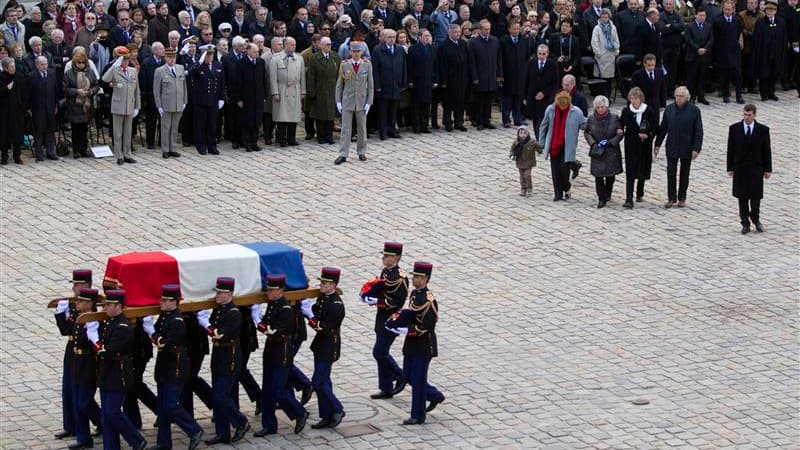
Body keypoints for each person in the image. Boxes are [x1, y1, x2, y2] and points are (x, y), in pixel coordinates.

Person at [142, 284, 205, 450]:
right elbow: (158, 335)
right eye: (161, 299)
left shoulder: (177, 321)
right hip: (164, 366)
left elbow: (165, 343)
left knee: (170, 404)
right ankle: (164, 443)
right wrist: (153, 332)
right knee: (163, 407)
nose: (161, 302)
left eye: (165, 300)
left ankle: (194, 430)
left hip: (175, 367)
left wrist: (151, 333)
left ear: (174, 302)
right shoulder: (165, 316)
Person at [385, 261, 445, 425]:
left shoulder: (429, 299)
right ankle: (434, 395)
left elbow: (428, 324)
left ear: (426, 279)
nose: (415, 279)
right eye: (414, 276)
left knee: (418, 379)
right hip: (411, 344)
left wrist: (408, 329)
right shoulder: (414, 294)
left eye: (418, 277)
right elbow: (411, 313)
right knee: (407, 376)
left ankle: (418, 415)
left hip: (423, 345)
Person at [254, 274, 309, 437]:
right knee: (267, 390)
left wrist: (258, 320)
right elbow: (266, 322)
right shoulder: (273, 305)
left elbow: (274, 330)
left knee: (278, 390)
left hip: (282, 353)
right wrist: (261, 321)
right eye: (268, 290)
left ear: (279, 291)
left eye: (271, 290)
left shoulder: (285, 309)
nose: (268, 293)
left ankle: (299, 413)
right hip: (271, 351)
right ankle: (269, 425)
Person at [198, 277, 250, 445]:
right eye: (218, 292)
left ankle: (241, 422)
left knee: (221, 396)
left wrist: (206, 324)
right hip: (219, 356)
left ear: (230, 294)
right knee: (217, 396)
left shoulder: (234, 313)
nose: (218, 295)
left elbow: (220, 334)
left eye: (221, 293)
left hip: (230, 358)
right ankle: (222, 433)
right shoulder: (219, 310)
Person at [96, 290, 148, 450]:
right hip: (107, 373)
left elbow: (110, 351)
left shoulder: (123, 326)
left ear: (118, 306)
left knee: (113, 412)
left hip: (118, 374)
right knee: (106, 415)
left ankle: (137, 440)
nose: (105, 308)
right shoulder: (110, 322)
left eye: (109, 305)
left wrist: (97, 345)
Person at [53, 271, 97, 441]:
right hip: (71, 351)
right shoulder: (73, 304)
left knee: (81, 396)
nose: (73, 288)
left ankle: (98, 422)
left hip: (84, 355)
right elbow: (66, 330)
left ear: (86, 285)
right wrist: (59, 314)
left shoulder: (90, 306)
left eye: (77, 285)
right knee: (68, 390)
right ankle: (70, 425)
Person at [301, 268, 346, 429]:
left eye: (325, 283)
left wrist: (310, 316)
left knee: (318, 382)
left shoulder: (336, 305)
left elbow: (323, 327)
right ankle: (327, 415)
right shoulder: (324, 299)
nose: (321, 285)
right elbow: (316, 311)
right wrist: (309, 311)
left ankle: (338, 409)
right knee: (324, 381)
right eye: (321, 282)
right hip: (320, 346)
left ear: (333, 285)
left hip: (328, 346)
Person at [364, 242, 409, 399]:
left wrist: (378, 301)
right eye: (384, 255)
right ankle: (386, 387)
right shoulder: (385, 272)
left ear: (396, 257)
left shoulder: (401, 277)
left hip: (392, 319)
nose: (384, 258)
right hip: (381, 317)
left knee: (379, 351)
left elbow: (398, 300)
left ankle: (400, 375)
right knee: (381, 352)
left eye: (388, 256)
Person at [654, 86, 704, 208]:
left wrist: (696, 148)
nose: (679, 98)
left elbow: (698, 131)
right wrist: (657, 144)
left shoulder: (694, 110)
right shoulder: (669, 109)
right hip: (672, 145)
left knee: (684, 173)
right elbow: (663, 128)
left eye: (681, 96)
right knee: (670, 171)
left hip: (687, 147)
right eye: (677, 96)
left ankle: (682, 197)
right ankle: (671, 197)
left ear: (687, 98)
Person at [726, 104, 772, 234]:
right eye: (745, 114)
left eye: (749, 115)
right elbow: (731, 149)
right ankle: (744, 222)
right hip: (740, 168)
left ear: (754, 115)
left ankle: (756, 219)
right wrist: (730, 167)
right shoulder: (734, 129)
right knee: (742, 196)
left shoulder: (763, 130)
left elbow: (766, 150)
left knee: (756, 196)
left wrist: (768, 169)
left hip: (756, 168)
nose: (746, 117)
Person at [68, 288, 103, 450]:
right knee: (78, 402)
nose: (77, 303)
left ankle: (103, 423)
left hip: (88, 366)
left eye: (81, 301)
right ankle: (84, 438)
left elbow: (95, 346)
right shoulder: (80, 317)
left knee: (84, 402)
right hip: (77, 364)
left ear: (89, 304)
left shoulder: (93, 321)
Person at [538, 90, 587, 201]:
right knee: (555, 170)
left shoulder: (576, 112)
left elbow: (584, 124)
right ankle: (558, 193)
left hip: (567, 145)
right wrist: (541, 142)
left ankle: (566, 186)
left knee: (564, 169)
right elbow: (543, 126)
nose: (562, 107)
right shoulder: (550, 110)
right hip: (554, 144)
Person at [334, 39, 373, 165]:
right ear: (350, 51)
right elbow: (339, 84)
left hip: (361, 101)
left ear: (361, 52)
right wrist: (338, 101)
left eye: (358, 51)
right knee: (346, 128)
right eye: (354, 51)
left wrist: (369, 102)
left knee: (362, 128)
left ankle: (361, 151)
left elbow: (370, 85)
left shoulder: (367, 64)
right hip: (348, 100)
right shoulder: (345, 64)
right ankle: (343, 153)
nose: (356, 54)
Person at [620, 86, 659, 208]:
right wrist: (619, 130)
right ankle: (629, 198)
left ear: (641, 99)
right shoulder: (627, 111)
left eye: (636, 98)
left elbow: (655, 127)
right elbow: (621, 124)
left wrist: (648, 134)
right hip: (631, 144)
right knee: (630, 170)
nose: (634, 101)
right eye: (632, 98)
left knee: (642, 168)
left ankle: (640, 192)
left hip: (644, 145)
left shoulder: (648, 111)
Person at [102, 46, 140, 165]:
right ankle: (119, 155)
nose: (125, 62)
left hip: (130, 104)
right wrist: (114, 66)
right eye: (123, 60)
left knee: (128, 132)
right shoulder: (115, 70)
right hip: (118, 105)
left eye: (127, 60)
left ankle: (127, 153)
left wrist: (137, 106)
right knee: (118, 133)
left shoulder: (133, 71)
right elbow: (104, 79)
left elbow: (136, 89)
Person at [584, 95, 623, 208]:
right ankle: (601, 198)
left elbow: (620, 134)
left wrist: (611, 142)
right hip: (597, 151)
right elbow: (587, 132)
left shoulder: (614, 118)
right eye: (598, 107)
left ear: (606, 107)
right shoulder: (591, 119)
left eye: (602, 107)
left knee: (610, 175)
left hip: (611, 151)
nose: (600, 109)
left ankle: (608, 193)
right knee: (598, 176)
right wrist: (593, 143)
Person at [189, 44, 225, 155]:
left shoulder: (217, 65)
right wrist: (199, 62)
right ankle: (201, 145)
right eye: (207, 54)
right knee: (201, 124)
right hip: (201, 100)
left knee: (212, 124)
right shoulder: (199, 66)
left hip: (214, 100)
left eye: (211, 54)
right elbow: (191, 74)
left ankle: (211, 145)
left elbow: (222, 83)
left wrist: (221, 98)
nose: (209, 57)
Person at [270, 36, 306, 147]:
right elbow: (273, 77)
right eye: (291, 44)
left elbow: (302, 76)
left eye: (295, 45)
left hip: (295, 89)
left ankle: (291, 138)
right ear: (285, 45)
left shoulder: (299, 58)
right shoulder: (276, 58)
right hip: (282, 89)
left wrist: (303, 91)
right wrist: (275, 92)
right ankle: (281, 139)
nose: (293, 47)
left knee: (293, 116)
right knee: (282, 116)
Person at [63, 51, 100, 159]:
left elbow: (96, 85)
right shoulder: (69, 73)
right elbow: (65, 89)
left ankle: (84, 149)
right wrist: (76, 91)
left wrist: (91, 91)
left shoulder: (90, 72)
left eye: (83, 62)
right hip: (74, 104)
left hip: (87, 105)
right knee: (75, 128)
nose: (81, 64)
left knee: (84, 128)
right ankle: (76, 150)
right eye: (78, 62)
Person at [153, 46, 187, 159]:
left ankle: (173, 148)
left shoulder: (180, 68)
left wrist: (184, 101)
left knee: (175, 127)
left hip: (178, 103)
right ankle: (165, 149)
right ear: (165, 58)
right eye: (169, 57)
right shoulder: (160, 71)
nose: (172, 59)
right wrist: (159, 106)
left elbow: (184, 86)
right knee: (166, 127)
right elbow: (156, 90)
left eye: (174, 57)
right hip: (166, 104)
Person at [372, 28, 407, 139]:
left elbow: (403, 67)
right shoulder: (378, 50)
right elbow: (375, 70)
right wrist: (377, 85)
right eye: (389, 37)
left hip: (396, 84)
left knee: (393, 109)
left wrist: (403, 82)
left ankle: (392, 130)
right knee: (383, 110)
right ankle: (383, 131)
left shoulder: (399, 49)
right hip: (383, 85)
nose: (392, 40)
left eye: (393, 37)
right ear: (384, 38)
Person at [468, 19, 502, 129]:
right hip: (480, 76)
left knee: (489, 99)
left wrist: (499, 74)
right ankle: (478, 120)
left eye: (489, 29)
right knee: (479, 100)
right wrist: (475, 77)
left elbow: (498, 59)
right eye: (485, 29)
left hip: (491, 75)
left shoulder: (495, 40)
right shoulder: (474, 42)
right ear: (481, 30)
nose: (487, 31)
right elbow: (472, 62)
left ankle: (487, 119)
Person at [751, 1, 788, 101]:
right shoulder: (760, 22)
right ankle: (764, 93)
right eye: (768, 10)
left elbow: (784, 38)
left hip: (777, 53)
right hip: (764, 53)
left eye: (772, 10)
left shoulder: (781, 22)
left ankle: (771, 92)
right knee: (764, 74)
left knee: (775, 73)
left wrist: (783, 52)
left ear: (775, 11)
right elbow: (756, 39)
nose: (770, 12)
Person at [307, 36, 341, 144]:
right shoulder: (314, 58)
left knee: (330, 115)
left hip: (332, 89)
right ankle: (321, 136)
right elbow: (311, 76)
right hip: (320, 89)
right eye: (326, 44)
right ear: (320, 46)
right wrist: (311, 91)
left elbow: (339, 74)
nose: (329, 47)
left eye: (330, 44)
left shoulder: (335, 57)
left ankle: (329, 135)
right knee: (320, 114)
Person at [437, 24, 470, 132]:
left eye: (459, 32)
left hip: (462, 78)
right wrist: (444, 81)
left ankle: (458, 122)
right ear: (449, 33)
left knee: (460, 102)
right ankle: (447, 122)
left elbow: (468, 60)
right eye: (455, 32)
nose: (458, 34)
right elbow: (442, 65)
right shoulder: (443, 46)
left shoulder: (463, 44)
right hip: (450, 80)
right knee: (448, 103)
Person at [235, 42, 267, 152]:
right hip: (246, 97)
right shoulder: (241, 63)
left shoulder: (261, 62)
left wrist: (264, 95)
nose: (256, 54)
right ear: (248, 51)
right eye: (254, 52)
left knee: (257, 121)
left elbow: (264, 80)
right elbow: (238, 83)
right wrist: (239, 99)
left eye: (258, 52)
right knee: (247, 121)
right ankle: (246, 143)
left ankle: (254, 142)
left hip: (258, 97)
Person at [525, 44, 559, 139]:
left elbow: (555, 83)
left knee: (543, 121)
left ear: (547, 54)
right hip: (533, 98)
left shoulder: (552, 64)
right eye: (539, 54)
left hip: (546, 99)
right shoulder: (531, 63)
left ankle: (542, 140)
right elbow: (526, 80)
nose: (541, 56)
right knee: (536, 121)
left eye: (544, 54)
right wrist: (524, 96)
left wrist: (544, 93)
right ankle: (539, 140)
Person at [499, 21, 529, 128]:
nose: (516, 31)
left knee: (518, 98)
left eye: (518, 28)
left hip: (520, 74)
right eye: (514, 29)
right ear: (509, 29)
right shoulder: (504, 41)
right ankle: (506, 119)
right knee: (507, 98)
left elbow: (526, 57)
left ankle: (518, 118)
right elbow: (500, 59)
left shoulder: (524, 40)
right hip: (508, 74)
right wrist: (500, 74)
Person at [407, 29, 437, 134]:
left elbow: (435, 66)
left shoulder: (432, 49)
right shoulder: (413, 49)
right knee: (417, 104)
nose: (427, 38)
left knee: (426, 104)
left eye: (429, 36)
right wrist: (410, 80)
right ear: (419, 37)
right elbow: (410, 66)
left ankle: (424, 124)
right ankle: (416, 125)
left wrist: (435, 80)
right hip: (417, 80)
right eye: (425, 36)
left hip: (428, 80)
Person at [714, 1, 745, 104]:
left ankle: (738, 96)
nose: (728, 11)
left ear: (733, 10)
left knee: (738, 75)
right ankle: (725, 95)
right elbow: (716, 37)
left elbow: (738, 33)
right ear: (723, 9)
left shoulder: (737, 20)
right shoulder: (718, 21)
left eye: (730, 9)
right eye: (726, 9)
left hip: (735, 51)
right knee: (724, 75)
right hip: (723, 52)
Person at [684, 9, 713, 105]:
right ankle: (692, 97)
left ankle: (701, 96)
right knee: (692, 77)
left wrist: (705, 48)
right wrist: (697, 49)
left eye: (704, 15)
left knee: (703, 76)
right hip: (693, 55)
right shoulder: (690, 26)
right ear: (696, 15)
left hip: (704, 55)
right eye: (700, 15)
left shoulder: (708, 26)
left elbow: (711, 39)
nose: (702, 17)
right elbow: (688, 39)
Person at [140, 42, 165, 150]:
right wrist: (145, 95)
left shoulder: (164, 62)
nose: (163, 51)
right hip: (150, 95)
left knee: (163, 119)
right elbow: (143, 80)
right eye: (160, 49)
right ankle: (150, 142)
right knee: (151, 120)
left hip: (163, 95)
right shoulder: (147, 62)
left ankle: (162, 140)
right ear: (154, 51)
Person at [0, 57, 25, 165]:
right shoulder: (1, 77)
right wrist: (6, 88)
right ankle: (4, 156)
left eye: (14, 66)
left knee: (17, 134)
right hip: (4, 111)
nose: (13, 68)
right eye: (11, 66)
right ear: (5, 68)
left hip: (17, 110)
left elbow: (24, 92)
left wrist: (24, 106)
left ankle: (17, 156)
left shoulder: (19, 76)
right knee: (4, 134)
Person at [590, 9, 619, 98]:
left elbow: (616, 39)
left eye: (606, 17)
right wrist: (599, 54)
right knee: (601, 79)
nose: (605, 19)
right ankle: (602, 97)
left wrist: (616, 51)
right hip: (601, 57)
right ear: (600, 17)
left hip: (610, 56)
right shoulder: (597, 28)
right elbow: (594, 42)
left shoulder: (613, 27)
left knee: (609, 79)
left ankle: (608, 97)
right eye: (603, 17)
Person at [660, 0, 685, 97]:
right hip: (665, 48)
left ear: (674, 5)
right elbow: (663, 29)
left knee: (674, 71)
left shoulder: (678, 15)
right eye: (667, 4)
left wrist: (670, 25)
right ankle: (664, 92)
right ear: (664, 5)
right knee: (665, 71)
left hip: (675, 48)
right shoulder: (661, 16)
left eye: (670, 4)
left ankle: (671, 91)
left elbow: (682, 26)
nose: (669, 6)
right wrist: (675, 28)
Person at [509, 125, 542, 197]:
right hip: (520, 162)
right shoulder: (516, 142)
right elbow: (512, 149)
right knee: (522, 176)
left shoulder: (532, 142)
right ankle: (523, 188)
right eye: (521, 133)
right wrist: (511, 155)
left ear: (528, 134)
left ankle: (529, 188)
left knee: (527, 175)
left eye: (524, 133)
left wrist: (540, 151)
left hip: (529, 162)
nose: (522, 135)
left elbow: (539, 147)